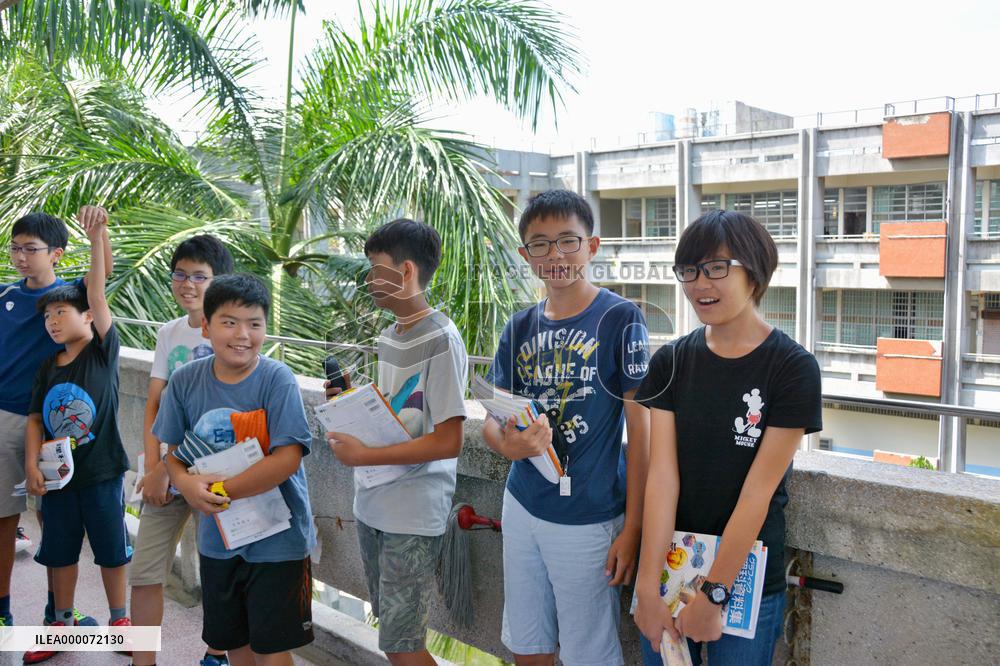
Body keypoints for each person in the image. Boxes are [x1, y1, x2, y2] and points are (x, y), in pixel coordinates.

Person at [634, 209, 822, 665]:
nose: (700, 283)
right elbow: (662, 479)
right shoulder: (671, 362)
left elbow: (757, 492)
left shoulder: (792, 368)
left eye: (717, 268)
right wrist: (645, 586)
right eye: (690, 271)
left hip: (743, 585)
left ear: (754, 273)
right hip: (670, 573)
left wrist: (714, 593)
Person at [482, 190, 650, 666]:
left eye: (567, 241)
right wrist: (509, 445)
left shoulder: (621, 318)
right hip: (522, 505)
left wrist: (633, 528)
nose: (555, 255)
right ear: (525, 255)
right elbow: (491, 424)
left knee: (588, 653)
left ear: (591, 246)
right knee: (527, 643)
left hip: (589, 516)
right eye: (540, 244)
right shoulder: (519, 327)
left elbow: (642, 435)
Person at [326, 218, 468, 666]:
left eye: (375, 268)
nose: (369, 280)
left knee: (401, 644)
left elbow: (449, 440)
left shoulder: (441, 339)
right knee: (392, 634)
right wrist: (351, 405)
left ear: (405, 272)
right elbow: (401, 414)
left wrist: (365, 454)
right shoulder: (391, 335)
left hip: (411, 511)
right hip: (374, 502)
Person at [157, 273, 316, 666]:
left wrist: (219, 491)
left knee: (272, 647)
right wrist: (185, 484)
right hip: (218, 540)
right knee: (234, 643)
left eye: (255, 324)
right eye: (229, 322)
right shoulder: (184, 381)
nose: (242, 334)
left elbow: (287, 458)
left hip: (279, 541)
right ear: (206, 327)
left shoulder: (276, 379)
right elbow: (174, 453)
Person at [23, 207, 131, 663]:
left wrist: (97, 237)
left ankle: (121, 621)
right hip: (57, 480)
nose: (52, 321)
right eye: (48, 315)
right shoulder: (47, 367)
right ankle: (60, 625)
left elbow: (98, 289)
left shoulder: (102, 351)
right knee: (59, 552)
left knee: (111, 549)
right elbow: (33, 419)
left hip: (103, 472)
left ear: (88, 317)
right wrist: (31, 466)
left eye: (61, 312)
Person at [0, 208, 111, 638]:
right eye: (15, 248)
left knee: (58, 522)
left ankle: (57, 612)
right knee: (5, 519)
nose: (21, 257)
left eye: (31, 249)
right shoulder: (5, 297)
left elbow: (101, 279)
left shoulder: (72, 294)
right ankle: (3, 612)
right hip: (10, 420)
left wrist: (100, 233)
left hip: (57, 429)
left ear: (57, 254)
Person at [130, 235, 234, 666]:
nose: (187, 284)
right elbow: (155, 402)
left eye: (199, 276)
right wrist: (155, 467)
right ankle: (143, 660)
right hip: (171, 467)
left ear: (219, 281)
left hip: (223, 470)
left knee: (222, 570)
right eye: (180, 274)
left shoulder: (235, 329)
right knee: (146, 569)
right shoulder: (169, 332)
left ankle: (217, 653)